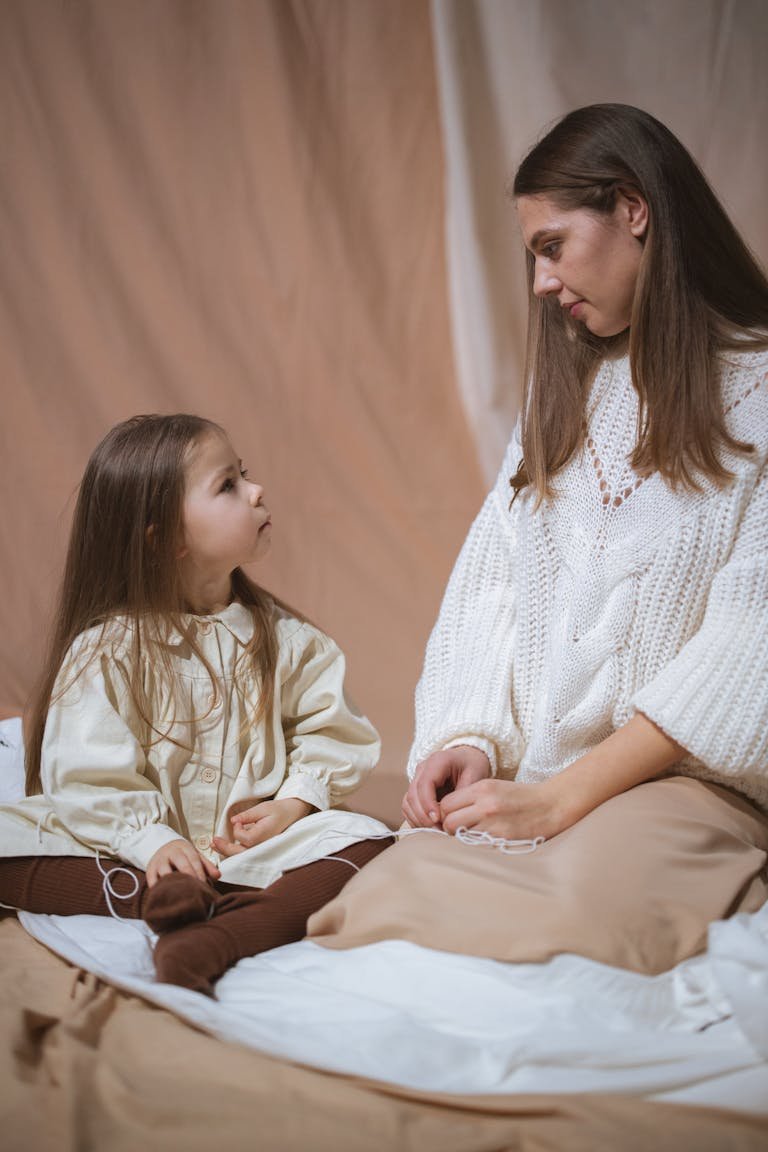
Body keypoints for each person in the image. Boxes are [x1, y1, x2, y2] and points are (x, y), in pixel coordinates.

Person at [309, 104, 768, 973]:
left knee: (578, 928)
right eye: (533, 256)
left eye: (552, 246)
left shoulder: (763, 393)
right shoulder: (561, 402)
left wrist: (560, 803)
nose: (541, 283)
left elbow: (750, 647)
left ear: (634, 209)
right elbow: (495, 589)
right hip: (542, 773)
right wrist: (471, 739)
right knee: (380, 903)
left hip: (684, 787)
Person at [0, 413, 393, 995]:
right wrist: (150, 842)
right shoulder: (105, 650)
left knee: (371, 842)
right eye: (228, 485)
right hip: (130, 850)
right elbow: (86, 773)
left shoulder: (289, 641)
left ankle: (226, 930)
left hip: (255, 850)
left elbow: (331, 732)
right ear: (165, 539)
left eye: (245, 475)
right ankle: (159, 896)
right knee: (9, 844)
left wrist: (293, 805)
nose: (256, 491)